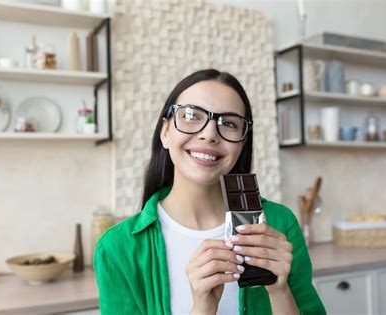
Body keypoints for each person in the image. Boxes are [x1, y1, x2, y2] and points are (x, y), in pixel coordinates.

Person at [94, 69, 326, 315]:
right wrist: (203, 308)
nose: (209, 134)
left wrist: (280, 292)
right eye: (192, 115)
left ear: (242, 144)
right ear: (165, 132)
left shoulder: (281, 224)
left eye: (228, 123)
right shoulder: (117, 248)